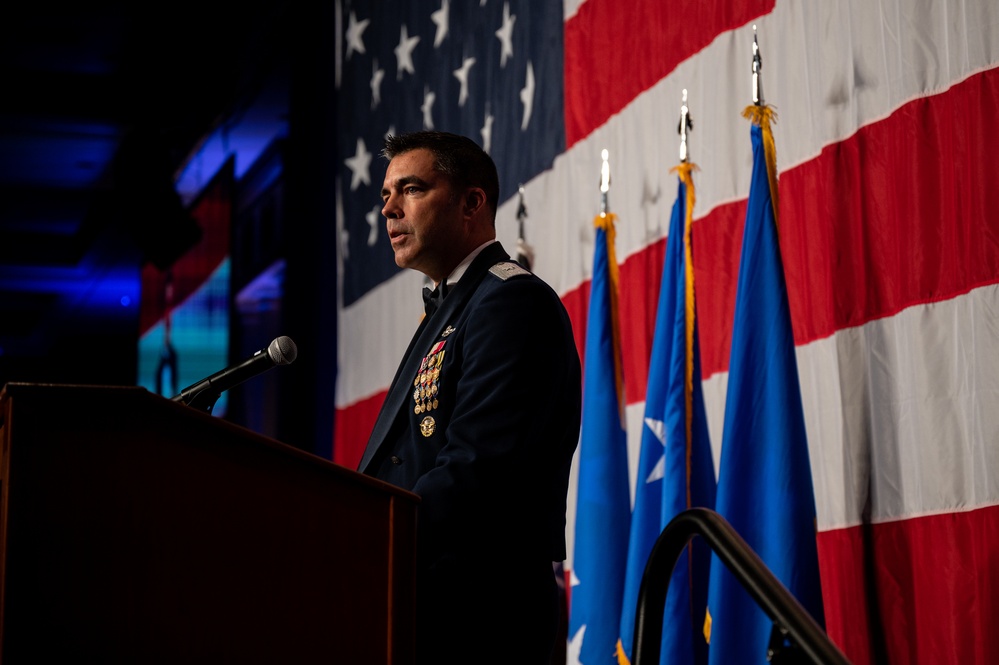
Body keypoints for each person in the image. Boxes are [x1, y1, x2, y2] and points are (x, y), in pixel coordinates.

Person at [356, 131, 581, 664]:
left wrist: (368, 540)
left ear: (471, 202)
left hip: (479, 611)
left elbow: (477, 470)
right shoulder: (453, 307)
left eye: (410, 189)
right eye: (385, 195)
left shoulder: (510, 302)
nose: (388, 209)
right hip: (431, 600)